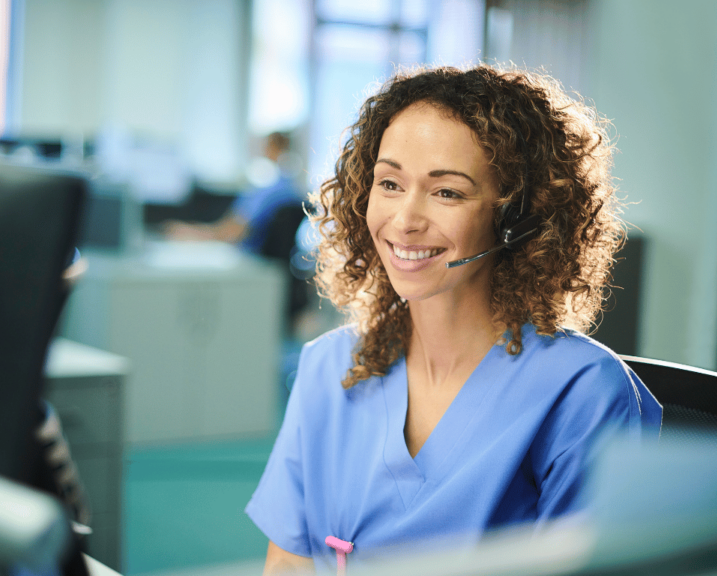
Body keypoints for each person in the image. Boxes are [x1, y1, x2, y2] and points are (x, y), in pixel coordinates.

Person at [244, 64, 662, 574]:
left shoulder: (582, 391)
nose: (405, 220)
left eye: (447, 192)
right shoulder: (327, 365)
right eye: (390, 183)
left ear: (517, 218)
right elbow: (288, 562)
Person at [163, 131, 304, 254]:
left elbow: (234, 232)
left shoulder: (268, 192)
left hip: (252, 263)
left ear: (272, 148)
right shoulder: (292, 189)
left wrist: (193, 233)